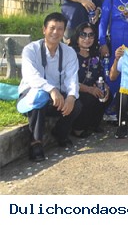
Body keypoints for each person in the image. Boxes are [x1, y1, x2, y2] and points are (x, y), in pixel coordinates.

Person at [19, 12, 81, 161]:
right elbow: (31, 75)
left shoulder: (69, 52)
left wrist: (71, 97)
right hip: (32, 97)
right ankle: (36, 143)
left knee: (77, 104)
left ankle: (60, 134)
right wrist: (51, 89)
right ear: (44, 30)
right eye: (52, 28)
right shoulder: (30, 50)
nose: (55, 32)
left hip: (56, 98)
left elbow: (72, 78)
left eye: (60, 29)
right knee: (40, 96)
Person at [68, 22, 109, 137]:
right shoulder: (70, 54)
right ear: (77, 36)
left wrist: (104, 87)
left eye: (91, 35)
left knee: (106, 96)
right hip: (74, 89)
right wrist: (89, 89)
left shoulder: (95, 55)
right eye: (83, 35)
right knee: (88, 97)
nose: (87, 38)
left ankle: (93, 124)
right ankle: (78, 128)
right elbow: (69, 80)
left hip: (92, 88)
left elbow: (100, 74)